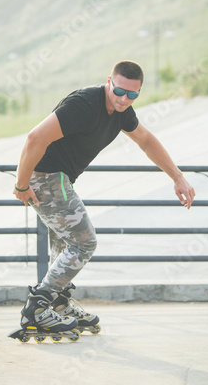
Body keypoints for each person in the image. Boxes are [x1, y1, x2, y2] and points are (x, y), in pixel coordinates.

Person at [13, 60, 195, 338]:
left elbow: (146, 140)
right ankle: (37, 308)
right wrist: (21, 184)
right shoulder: (85, 104)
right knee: (84, 242)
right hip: (46, 176)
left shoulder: (122, 112)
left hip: (60, 179)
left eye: (132, 95)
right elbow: (34, 138)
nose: (124, 99)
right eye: (119, 91)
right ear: (109, 82)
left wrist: (177, 177)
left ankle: (58, 303)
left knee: (64, 243)